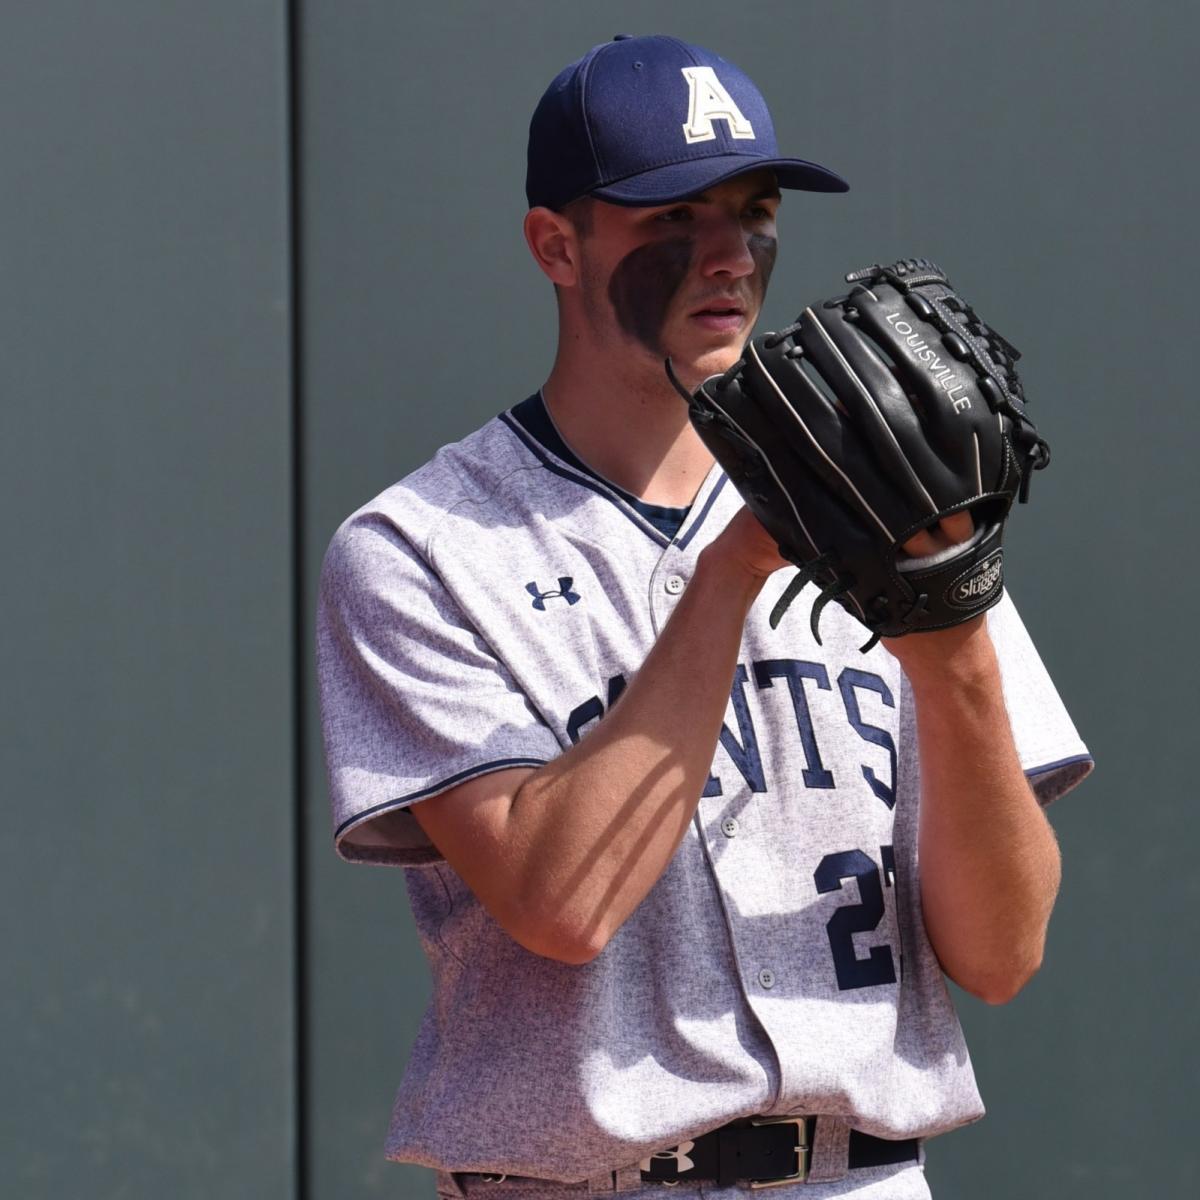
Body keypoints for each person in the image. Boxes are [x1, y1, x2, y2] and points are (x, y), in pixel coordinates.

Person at [316, 34, 1092, 1200]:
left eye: (754, 209)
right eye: (671, 217)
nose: (729, 253)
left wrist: (957, 640)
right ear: (556, 246)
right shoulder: (422, 548)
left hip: (862, 1177)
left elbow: (1003, 954)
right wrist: (741, 558)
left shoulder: (879, 502)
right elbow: (561, 903)